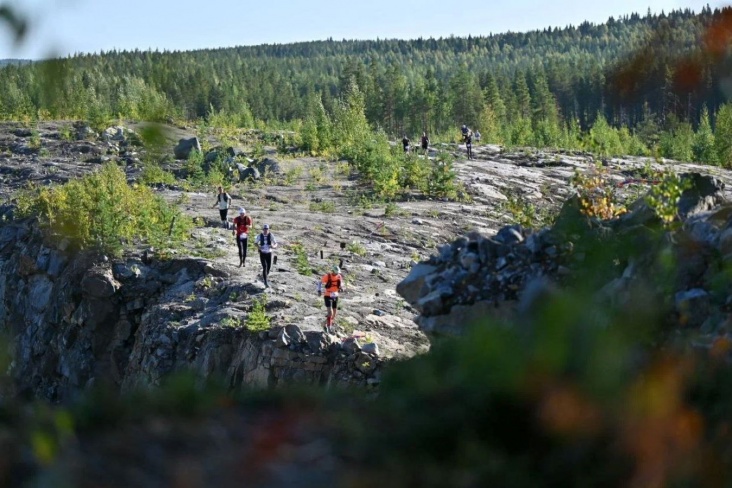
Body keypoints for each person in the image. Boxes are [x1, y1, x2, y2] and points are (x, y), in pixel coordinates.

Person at [318, 265, 345, 334]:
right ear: (333, 271)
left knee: (334, 314)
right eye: (336, 272)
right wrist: (319, 290)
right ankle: (329, 328)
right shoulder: (327, 276)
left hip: (335, 295)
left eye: (338, 272)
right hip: (328, 295)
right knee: (330, 312)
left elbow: (341, 284)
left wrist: (341, 288)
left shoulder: (339, 276)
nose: (337, 274)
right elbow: (320, 282)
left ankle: (324, 324)